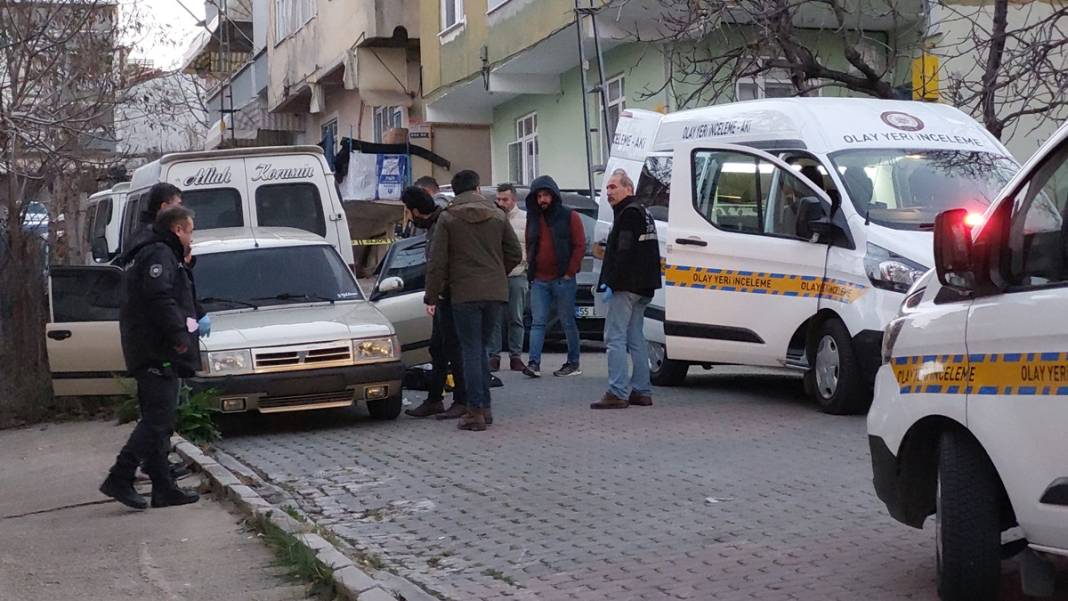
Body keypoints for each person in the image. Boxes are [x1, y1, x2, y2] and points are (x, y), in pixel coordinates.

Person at [99, 206, 202, 509]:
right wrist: (179, 338)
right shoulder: (159, 255)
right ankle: (121, 474)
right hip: (158, 350)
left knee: (161, 420)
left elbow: (179, 302)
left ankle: (163, 486)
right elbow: (160, 298)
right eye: (190, 232)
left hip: (151, 347)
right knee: (157, 420)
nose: (190, 239)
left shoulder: (152, 252)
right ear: (178, 229)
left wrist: (195, 321)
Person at [424, 170, 522, 431]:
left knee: (471, 349)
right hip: (495, 292)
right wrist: (496, 273)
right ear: (478, 189)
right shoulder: (498, 214)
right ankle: (485, 407)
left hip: (464, 293)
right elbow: (515, 252)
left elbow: (437, 261)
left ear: (456, 192)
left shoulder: (447, 218)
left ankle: (475, 409)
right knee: (482, 347)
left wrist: (432, 294)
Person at [592, 169, 662, 409]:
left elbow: (624, 251)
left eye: (614, 187)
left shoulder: (627, 214)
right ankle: (642, 390)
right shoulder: (644, 213)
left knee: (614, 337)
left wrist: (611, 282)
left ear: (628, 189)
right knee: (636, 338)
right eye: (607, 188)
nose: (609, 192)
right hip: (644, 285)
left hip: (626, 285)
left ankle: (617, 391)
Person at [400, 186, 468, 419]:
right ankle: (434, 399)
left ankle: (461, 399)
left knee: (453, 348)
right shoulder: (434, 226)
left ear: (417, 211)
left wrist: (434, 295)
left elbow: (440, 264)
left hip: (450, 295)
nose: (407, 217)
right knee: (438, 349)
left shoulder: (442, 224)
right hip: (443, 295)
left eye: (408, 211)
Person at [522, 175, 585, 378]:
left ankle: (573, 362)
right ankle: (533, 363)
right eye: (539, 196)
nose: (543, 200)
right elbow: (530, 244)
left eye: (546, 195)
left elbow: (579, 245)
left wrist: (569, 271)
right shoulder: (532, 218)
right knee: (537, 322)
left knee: (567, 321)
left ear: (554, 196)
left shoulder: (570, 216)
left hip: (562, 279)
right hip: (539, 279)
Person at [488, 183, 528, 372]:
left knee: (516, 317)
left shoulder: (525, 220)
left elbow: (529, 246)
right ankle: (493, 356)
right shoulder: (491, 218)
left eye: (505, 199)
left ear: (514, 200)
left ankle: (516, 356)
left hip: (517, 275)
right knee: (494, 319)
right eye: (498, 199)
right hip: (495, 276)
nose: (501, 203)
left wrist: (525, 266)